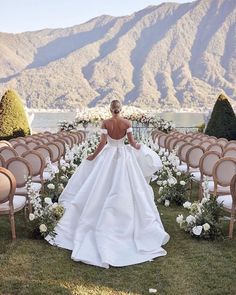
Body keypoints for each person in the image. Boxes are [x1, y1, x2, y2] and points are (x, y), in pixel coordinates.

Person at [45, 100, 169, 268]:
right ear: (121, 109)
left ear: (110, 110)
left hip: (108, 155)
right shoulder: (127, 123)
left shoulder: (106, 122)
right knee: (129, 188)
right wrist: (140, 147)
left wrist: (93, 156)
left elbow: (103, 143)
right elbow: (132, 143)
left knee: (99, 185)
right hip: (124, 157)